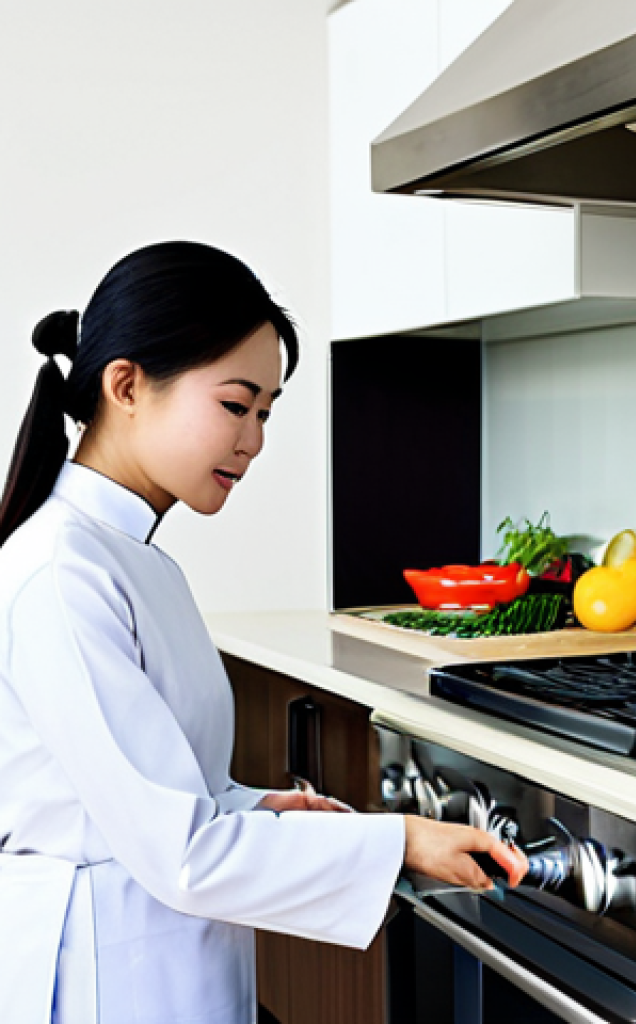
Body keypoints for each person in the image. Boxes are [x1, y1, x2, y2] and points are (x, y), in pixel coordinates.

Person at [0, 241, 527, 1023]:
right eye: (236, 405)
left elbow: (156, 798)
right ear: (127, 386)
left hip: (157, 959)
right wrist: (400, 844)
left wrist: (258, 808)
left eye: (267, 413)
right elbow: (178, 851)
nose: (253, 441)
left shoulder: (134, 562)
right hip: (104, 977)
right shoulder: (61, 571)